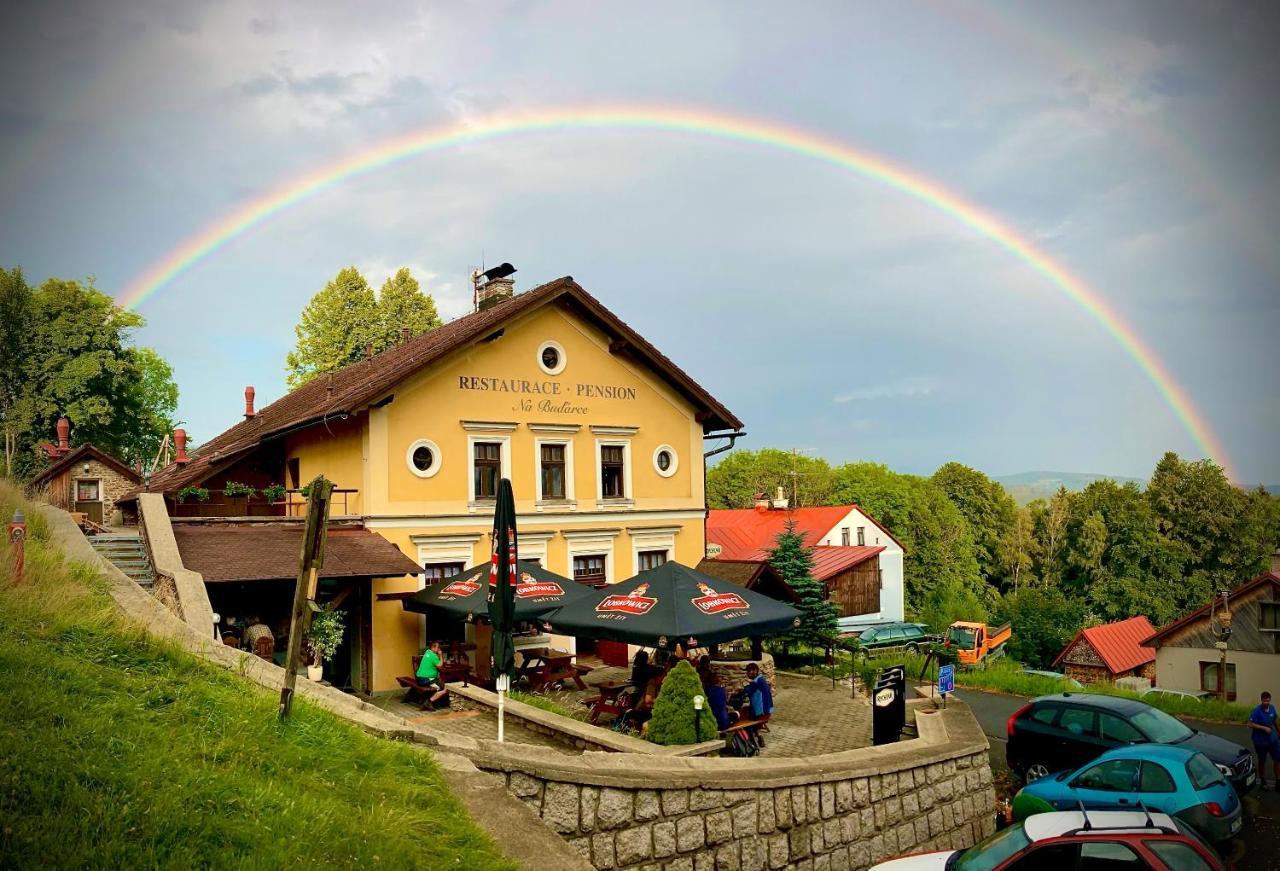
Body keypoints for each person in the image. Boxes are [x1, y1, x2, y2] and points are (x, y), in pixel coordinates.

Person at [1248, 690, 1280, 789]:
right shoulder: (1256, 711)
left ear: (1270, 700)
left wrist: (1279, 731)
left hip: (1272, 740)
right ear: (1261, 700)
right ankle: (1263, 781)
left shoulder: (1272, 708)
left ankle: (1278, 781)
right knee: (1262, 761)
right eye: (1264, 701)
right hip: (1260, 742)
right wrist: (1264, 728)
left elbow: (1275, 720)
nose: (1266, 703)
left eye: (1268, 701)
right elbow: (1250, 724)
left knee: (1278, 759)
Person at [738, 662, 774, 747]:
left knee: (743, 716)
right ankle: (756, 735)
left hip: (761, 714)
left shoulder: (756, 682)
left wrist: (740, 690)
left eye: (749, 671)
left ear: (755, 671)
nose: (748, 673)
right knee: (748, 711)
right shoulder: (762, 679)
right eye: (748, 671)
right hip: (768, 711)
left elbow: (748, 691)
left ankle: (751, 738)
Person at [415, 640, 449, 710]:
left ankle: (428, 699)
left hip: (419, 678)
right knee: (443, 688)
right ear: (433, 647)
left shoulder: (427, 652)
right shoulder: (433, 656)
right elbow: (440, 666)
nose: (439, 649)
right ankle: (429, 701)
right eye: (438, 647)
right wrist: (440, 655)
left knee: (440, 682)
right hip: (426, 679)